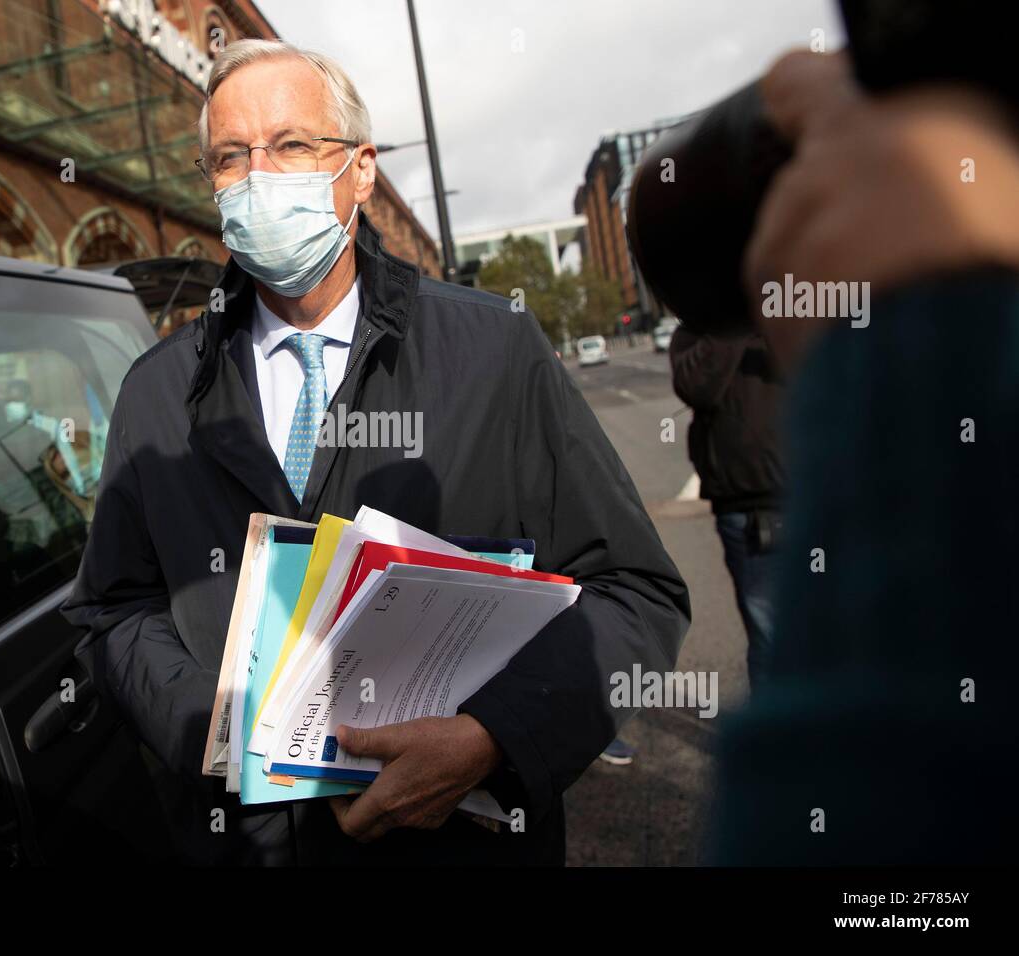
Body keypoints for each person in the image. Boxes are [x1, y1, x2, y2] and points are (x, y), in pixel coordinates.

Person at [61, 39, 689, 865]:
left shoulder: (494, 349)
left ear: (359, 171)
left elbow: (633, 590)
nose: (258, 176)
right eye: (229, 158)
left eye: (289, 146)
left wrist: (494, 736)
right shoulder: (156, 391)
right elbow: (113, 608)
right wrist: (210, 731)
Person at [711, 50, 1019, 863]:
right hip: (749, 502)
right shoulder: (719, 329)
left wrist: (915, 325)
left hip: (797, 489)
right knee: (770, 634)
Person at [669, 327, 785, 690]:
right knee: (771, 635)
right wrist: (730, 321)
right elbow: (695, 386)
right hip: (748, 510)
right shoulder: (698, 328)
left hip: (821, 495)